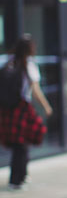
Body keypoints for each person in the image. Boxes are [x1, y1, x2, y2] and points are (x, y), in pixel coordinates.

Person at [0, 34, 52, 189]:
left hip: (8, 109)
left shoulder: (7, 62)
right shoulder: (28, 65)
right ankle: (17, 179)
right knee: (23, 143)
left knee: (20, 144)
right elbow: (35, 90)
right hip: (22, 107)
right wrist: (46, 106)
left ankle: (20, 176)